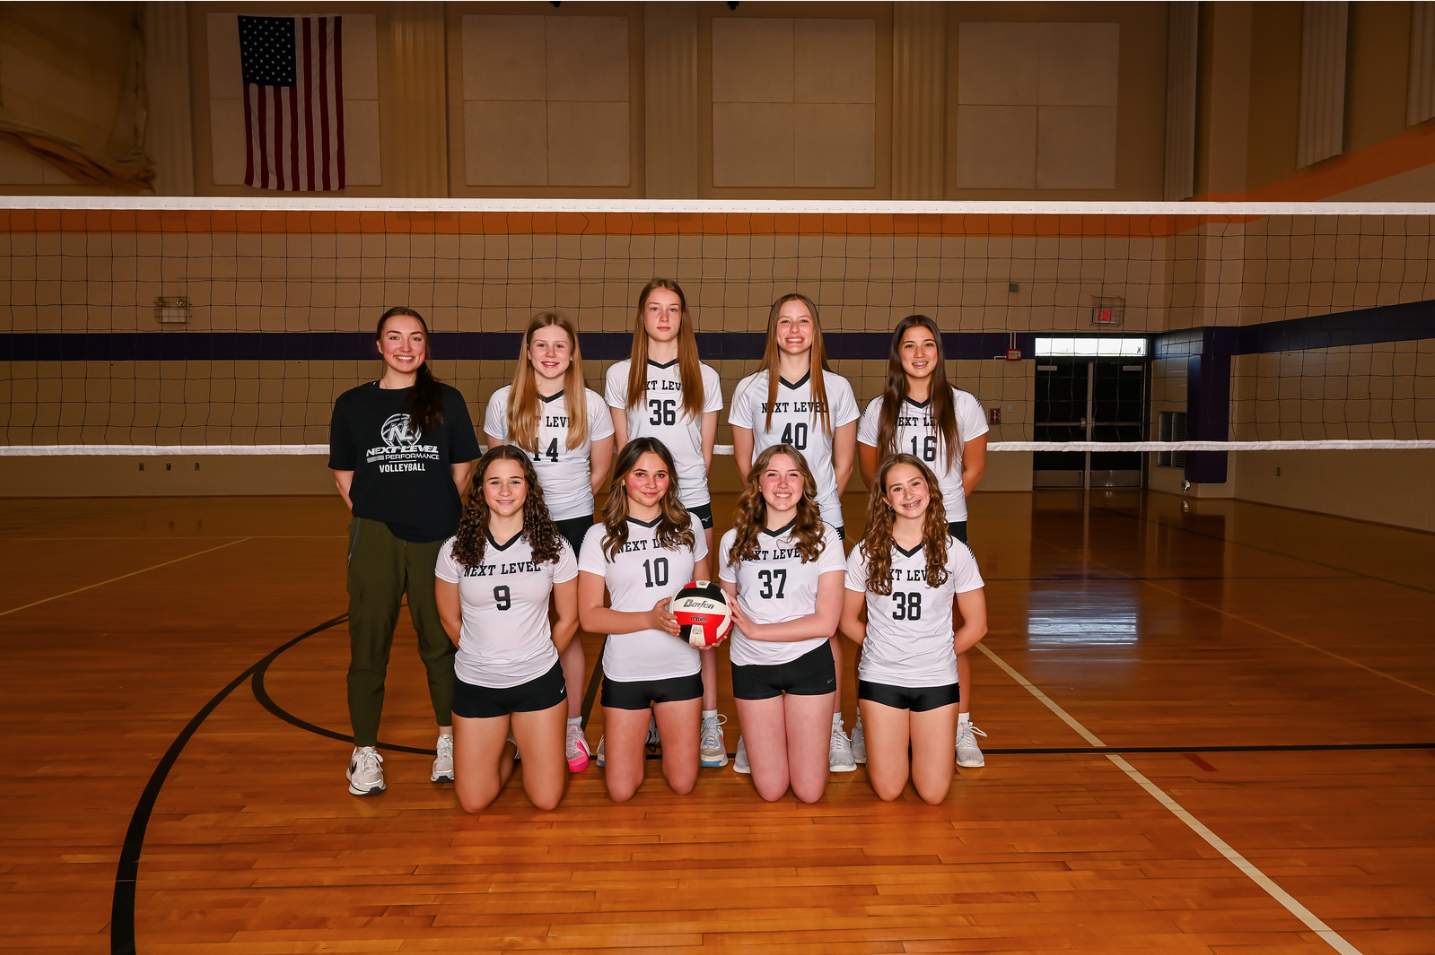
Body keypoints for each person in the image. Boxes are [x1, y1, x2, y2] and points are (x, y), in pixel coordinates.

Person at [328, 307, 481, 796]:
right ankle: (365, 751)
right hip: (374, 535)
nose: (405, 346)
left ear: (425, 347)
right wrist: (380, 511)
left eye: (415, 338)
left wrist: (428, 510)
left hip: (437, 536)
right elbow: (344, 477)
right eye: (394, 337)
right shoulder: (352, 405)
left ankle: (448, 741)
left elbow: (463, 471)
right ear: (379, 346)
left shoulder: (449, 401)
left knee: (440, 642)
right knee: (368, 642)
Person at [729, 293, 860, 772]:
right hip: (767, 517)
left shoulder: (837, 387)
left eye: (804, 320)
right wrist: (771, 504)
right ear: (774, 330)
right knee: (760, 606)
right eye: (785, 321)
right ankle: (754, 730)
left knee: (826, 625)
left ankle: (834, 728)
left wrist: (815, 507)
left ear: (814, 330)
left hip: (819, 518)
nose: (794, 329)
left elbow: (843, 462)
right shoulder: (750, 388)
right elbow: (747, 463)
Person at [855, 314, 990, 769]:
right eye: (909, 346)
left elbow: (972, 469)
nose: (918, 354)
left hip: (947, 526)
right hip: (890, 527)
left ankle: (959, 725)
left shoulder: (963, 404)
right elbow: (871, 472)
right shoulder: (879, 409)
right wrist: (902, 511)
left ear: (938, 352)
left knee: (950, 631)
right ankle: (867, 719)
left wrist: (934, 511)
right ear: (898, 355)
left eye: (927, 345)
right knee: (879, 617)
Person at [604, 279, 728, 767]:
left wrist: (682, 493)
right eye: (654, 308)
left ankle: (709, 721)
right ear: (642, 316)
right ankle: (643, 712)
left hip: (689, 500)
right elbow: (622, 447)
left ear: (683, 317)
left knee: (702, 611)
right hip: (636, 500)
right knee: (637, 601)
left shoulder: (705, 374)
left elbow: (701, 451)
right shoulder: (619, 373)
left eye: (673, 309)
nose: (663, 317)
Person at [483, 311, 614, 773]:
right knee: (523, 616)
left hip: (572, 522)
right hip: (515, 523)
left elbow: (599, 470)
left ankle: (573, 724)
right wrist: (523, 510)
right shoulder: (504, 400)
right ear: (528, 351)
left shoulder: (592, 404)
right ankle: (523, 719)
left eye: (561, 345)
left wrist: (565, 504)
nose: (551, 354)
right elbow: (495, 467)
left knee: (568, 621)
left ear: (573, 353)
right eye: (542, 345)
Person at [434, 447, 577, 812]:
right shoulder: (455, 550)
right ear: (480, 488)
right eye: (494, 482)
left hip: (537, 681)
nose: (505, 491)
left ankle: (520, 742)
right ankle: (508, 745)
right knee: (472, 803)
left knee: (546, 800)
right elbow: (451, 620)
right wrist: (484, 658)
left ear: (529, 488)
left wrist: (535, 658)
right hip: (477, 683)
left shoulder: (554, 546)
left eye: (515, 481)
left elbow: (569, 618)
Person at [839, 454, 987, 805]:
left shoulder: (956, 552)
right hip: (882, 676)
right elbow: (846, 620)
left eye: (915, 483)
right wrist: (884, 646)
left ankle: (916, 739)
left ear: (930, 490)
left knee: (933, 794)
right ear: (886, 500)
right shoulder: (866, 552)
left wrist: (932, 652)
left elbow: (978, 625)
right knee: (889, 791)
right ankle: (877, 731)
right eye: (897, 488)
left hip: (936, 678)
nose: (908, 494)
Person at [576, 438, 715, 803]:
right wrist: (650, 619)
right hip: (626, 672)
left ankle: (655, 726)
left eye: (661, 475)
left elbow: (705, 596)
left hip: (680, 668)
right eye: (640, 474)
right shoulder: (599, 535)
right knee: (621, 791)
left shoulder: (690, 527)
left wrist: (712, 628)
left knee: (683, 782)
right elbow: (589, 617)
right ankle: (639, 727)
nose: (651, 484)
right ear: (622, 478)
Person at [718, 446, 845, 802]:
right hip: (751, 666)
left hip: (808, 663)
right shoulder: (734, 540)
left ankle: (783, 736)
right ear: (758, 483)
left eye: (793, 475)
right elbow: (725, 609)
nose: (783, 484)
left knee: (808, 792)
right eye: (773, 474)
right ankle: (760, 738)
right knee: (772, 791)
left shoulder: (825, 537)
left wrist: (759, 630)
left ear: (805, 484)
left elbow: (827, 623)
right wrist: (706, 629)